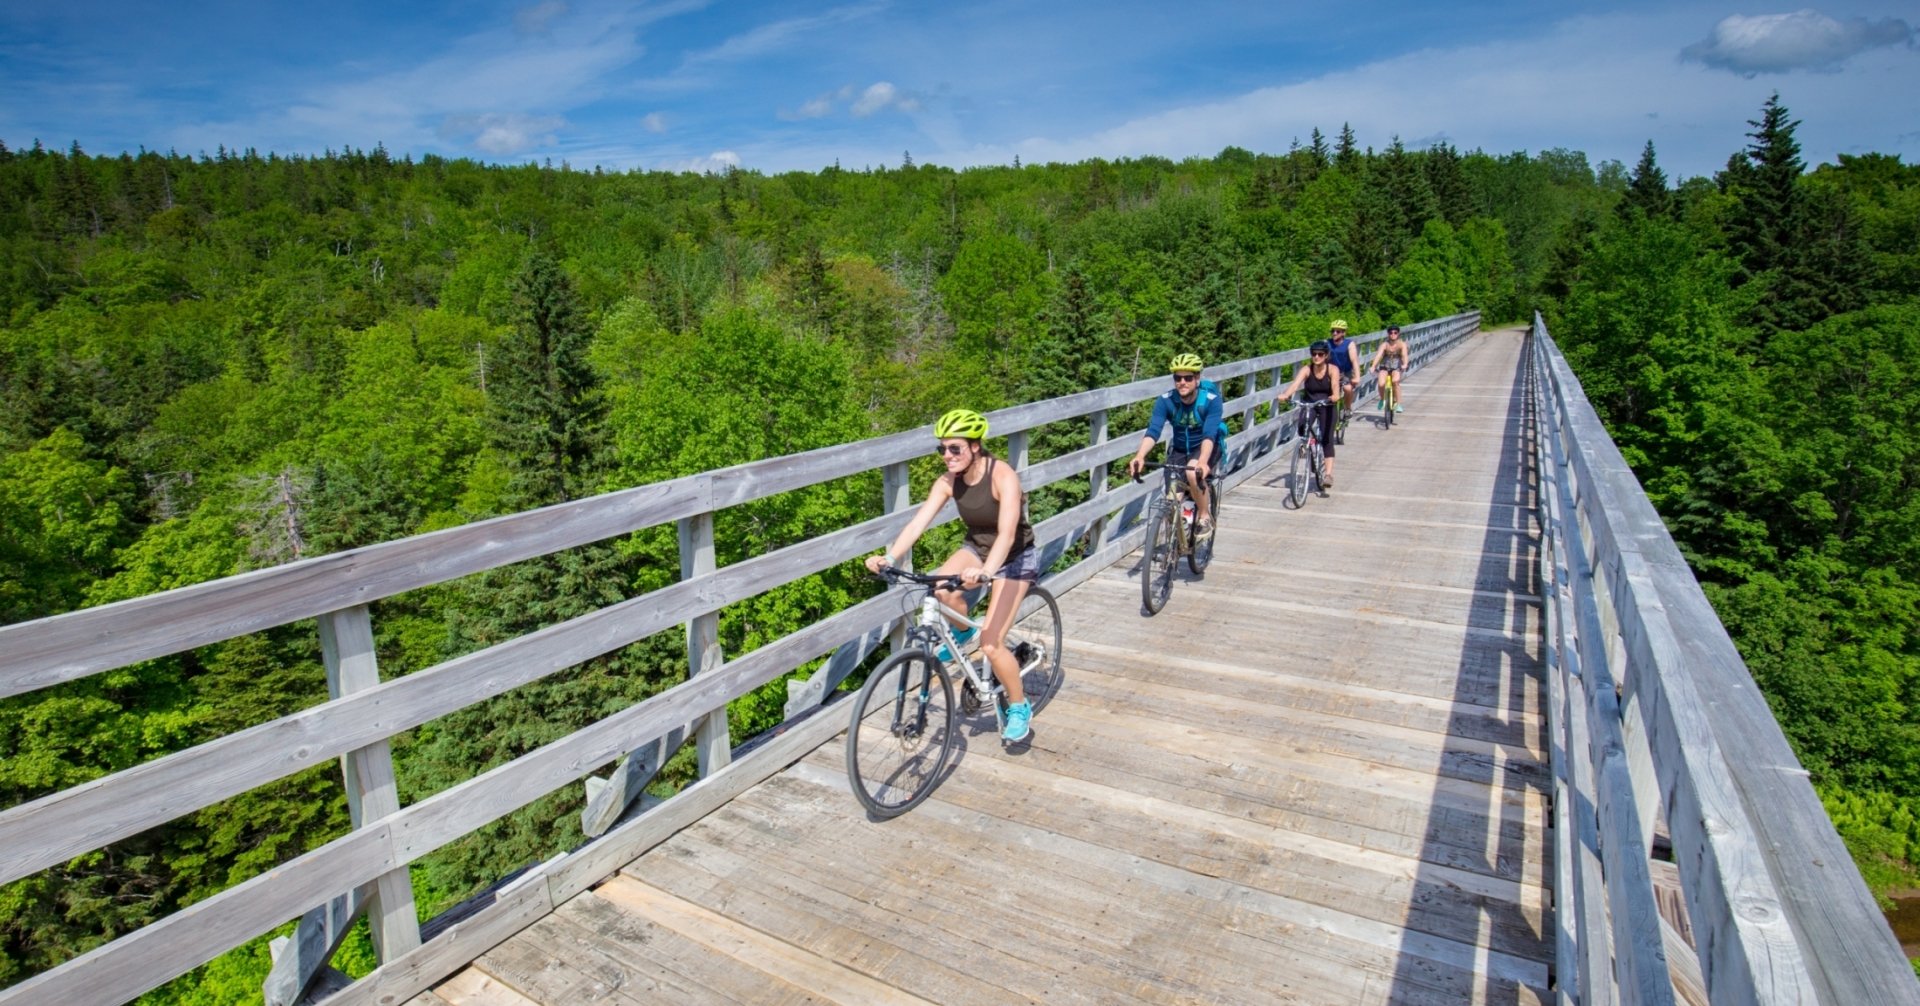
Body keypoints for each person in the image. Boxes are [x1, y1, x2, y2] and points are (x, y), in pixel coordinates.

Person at [865, 409, 1040, 742]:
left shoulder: (1002, 476)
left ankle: (1019, 705)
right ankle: (961, 634)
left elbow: (1005, 534)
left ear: (975, 446)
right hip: (976, 548)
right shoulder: (948, 481)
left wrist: (988, 572)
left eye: (954, 448)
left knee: (991, 644)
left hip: (1014, 557)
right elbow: (918, 523)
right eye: (942, 449)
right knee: (940, 591)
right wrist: (889, 557)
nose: (947, 456)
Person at [1126, 353, 1224, 536]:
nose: (1182, 382)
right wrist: (1140, 456)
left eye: (1188, 378)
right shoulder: (1166, 400)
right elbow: (1153, 430)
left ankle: (1204, 517)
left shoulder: (1211, 400)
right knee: (1172, 499)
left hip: (1206, 447)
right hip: (1179, 449)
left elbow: (1209, 434)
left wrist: (1202, 462)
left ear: (1197, 378)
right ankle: (1176, 543)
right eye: (1178, 378)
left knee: (1192, 472)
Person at [1278, 340, 1341, 492]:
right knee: (1302, 427)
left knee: (1326, 439)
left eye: (1320, 354)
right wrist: (1286, 394)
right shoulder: (1307, 369)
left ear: (1326, 356)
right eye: (1314, 354)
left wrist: (1335, 396)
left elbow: (1335, 386)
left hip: (1327, 404)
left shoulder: (1332, 369)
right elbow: (1295, 384)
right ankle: (1309, 445)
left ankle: (1328, 474)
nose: (1316, 357)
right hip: (1310, 403)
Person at [1369, 323, 1409, 412]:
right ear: (1388, 334)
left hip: (1396, 367)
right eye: (1391, 333)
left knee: (1395, 381)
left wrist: (1405, 364)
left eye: (1395, 332)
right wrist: (1373, 366)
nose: (1393, 334)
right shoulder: (1384, 344)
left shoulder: (1401, 344)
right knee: (1381, 383)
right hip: (1385, 366)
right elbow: (1378, 356)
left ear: (1398, 334)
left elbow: (1404, 355)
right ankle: (1382, 400)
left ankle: (1398, 404)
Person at [1326, 320, 1361, 414]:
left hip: (1345, 372)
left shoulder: (1349, 344)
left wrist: (1357, 376)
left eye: (1338, 331)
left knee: (1347, 388)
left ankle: (1347, 408)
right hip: (1331, 373)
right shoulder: (1327, 343)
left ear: (1343, 333)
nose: (1334, 333)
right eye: (1333, 331)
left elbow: (1354, 360)